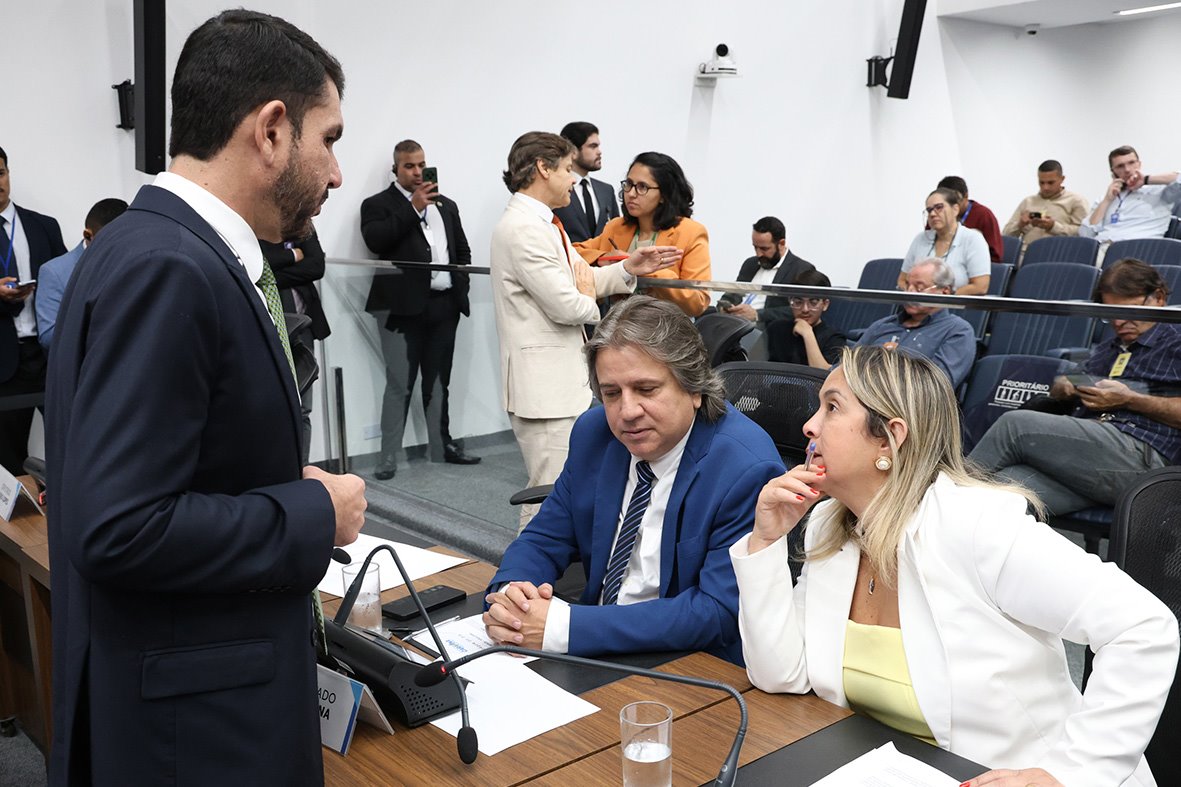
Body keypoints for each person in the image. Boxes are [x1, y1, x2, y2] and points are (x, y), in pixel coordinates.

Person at [44, 11, 366, 784]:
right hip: (199, 733)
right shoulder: (171, 267)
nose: (335, 173)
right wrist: (313, 511)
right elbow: (120, 526)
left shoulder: (145, 244)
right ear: (272, 130)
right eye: (329, 140)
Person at [731, 345, 1178, 786]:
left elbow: (1143, 626)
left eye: (831, 408)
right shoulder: (830, 525)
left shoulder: (977, 525)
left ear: (889, 438)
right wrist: (766, 540)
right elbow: (781, 676)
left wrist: (1073, 773)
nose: (809, 426)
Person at [485, 296, 784, 663]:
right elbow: (545, 537)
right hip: (591, 643)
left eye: (646, 389)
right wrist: (511, 599)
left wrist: (564, 628)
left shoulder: (744, 467)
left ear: (694, 389)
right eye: (611, 393)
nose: (627, 412)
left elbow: (717, 611)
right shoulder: (594, 434)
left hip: (684, 661)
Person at [490, 131, 679, 530]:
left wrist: (628, 267)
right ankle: (524, 567)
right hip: (544, 389)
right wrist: (613, 317)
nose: (573, 180)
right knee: (546, 496)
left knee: (560, 491)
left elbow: (583, 279)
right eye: (566, 169)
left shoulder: (543, 223)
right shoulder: (523, 228)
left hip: (558, 383)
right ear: (542, 169)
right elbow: (566, 305)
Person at [970, 259, 1181, 516]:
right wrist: (1065, 386)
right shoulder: (1109, 349)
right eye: (1110, 313)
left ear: (1158, 298)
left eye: (1130, 310)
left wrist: (1129, 399)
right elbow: (1064, 383)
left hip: (1146, 459)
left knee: (1014, 425)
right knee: (1000, 494)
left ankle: (940, 501)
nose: (1118, 322)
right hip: (1092, 457)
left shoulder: (1176, 341)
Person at [361, 139, 478, 480]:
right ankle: (388, 456)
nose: (417, 172)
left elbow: (462, 251)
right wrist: (413, 208)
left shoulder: (447, 205)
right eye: (409, 166)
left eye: (421, 165)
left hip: (444, 306)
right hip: (400, 312)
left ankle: (441, 446)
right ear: (395, 169)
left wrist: (460, 287)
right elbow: (376, 241)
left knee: (439, 382)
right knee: (400, 384)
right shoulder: (377, 204)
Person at [576, 152, 712, 317]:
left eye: (642, 187)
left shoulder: (691, 232)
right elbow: (572, 251)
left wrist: (647, 269)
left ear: (664, 195)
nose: (631, 193)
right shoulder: (617, 227)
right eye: (629, 184)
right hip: (617, 323)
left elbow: (698, 302)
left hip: (665, 326)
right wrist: (604, 258)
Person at [0, 145, 66, 476]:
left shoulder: (44, 226)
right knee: (9, 457)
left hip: (48, 354)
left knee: (71, 439)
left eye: (0, 173)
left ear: (9, 174)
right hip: (4, 361)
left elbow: (67, 278)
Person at [260, 224, 330, 464]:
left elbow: (316, 266)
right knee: (272, 409)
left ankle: (303, 470)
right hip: (268, 329)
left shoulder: (301, 221)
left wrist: (272, 278)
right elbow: (257, 266)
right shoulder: (258, 219)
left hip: (303, 329)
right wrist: (293, 255)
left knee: (303, 408)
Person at [859, 258, 976, 389]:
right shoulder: (882, 325)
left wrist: (892, 365)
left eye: (919, 288)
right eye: (907, 286)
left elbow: (937, 387)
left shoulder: (958, 331)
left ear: (945, 291)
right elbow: (847, 366)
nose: (910, 292)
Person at [36, 197, 128, 350]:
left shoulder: (138, 263)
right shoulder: (54, 272)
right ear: (87, 235)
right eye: (110, 241)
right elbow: (49, 337)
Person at [718, 215, 816, 325]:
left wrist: (757, 315)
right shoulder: (750, 264)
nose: (758, 254)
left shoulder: (801, 269)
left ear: (781, 244)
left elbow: (802, 311)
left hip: (767, 329)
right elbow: (733, 293)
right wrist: (726, 305)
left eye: (764, 249)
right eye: (755, 247)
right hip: (735, 324)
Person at [899, 187, 990, 296]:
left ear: (955, 209)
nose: (932, 214)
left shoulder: (973, 239)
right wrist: (913, 293)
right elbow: (902, 280)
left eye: (939, 207)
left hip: (956, 304)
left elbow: (980, 287)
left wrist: (942, 298)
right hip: (918, 304)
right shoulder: (920, 239)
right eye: (929, 210)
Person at [1080, 146, 1180, 244]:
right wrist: (1107, 200)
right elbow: (1086, 234)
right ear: (1113, 172)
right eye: (1120, 166)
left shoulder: (1158, 191)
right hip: (1104, 246)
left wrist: (1146, 179)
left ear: (1139, 164)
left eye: (1131, 163)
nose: (1127, 169)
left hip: (1139, 248)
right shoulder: (1106, 198)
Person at [1001, 160, 1089, 254]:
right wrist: (1020, 224)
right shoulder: (1028, 202)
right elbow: (1005, 235)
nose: (1045, 187)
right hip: (1026, 254)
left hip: (1058, 255)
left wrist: (1053, 226)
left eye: (1051, 183)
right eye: (1041, 182)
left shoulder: (1076, 201)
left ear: (1062, 179)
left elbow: (1084, 234)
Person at [764, 270, 846, 368]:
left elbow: (825, 373)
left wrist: (807, 334)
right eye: (798, 302)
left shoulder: (834, 338)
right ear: (790, 302)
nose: (805, 309)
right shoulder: (777, 328)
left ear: (825, 304)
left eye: (813, 302)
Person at [552, 121, 619, 243]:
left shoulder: (606, 190)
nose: (599, 152)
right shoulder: (555, 188)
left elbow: (617, 232)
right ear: (573, 151)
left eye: (598, 146)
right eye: (593, 146)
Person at [937, 175, 1003, 262]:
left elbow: (995, 257)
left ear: (966, 196)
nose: (951, 207)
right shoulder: (937, 215)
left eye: (955, 201)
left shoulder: (984, 215)